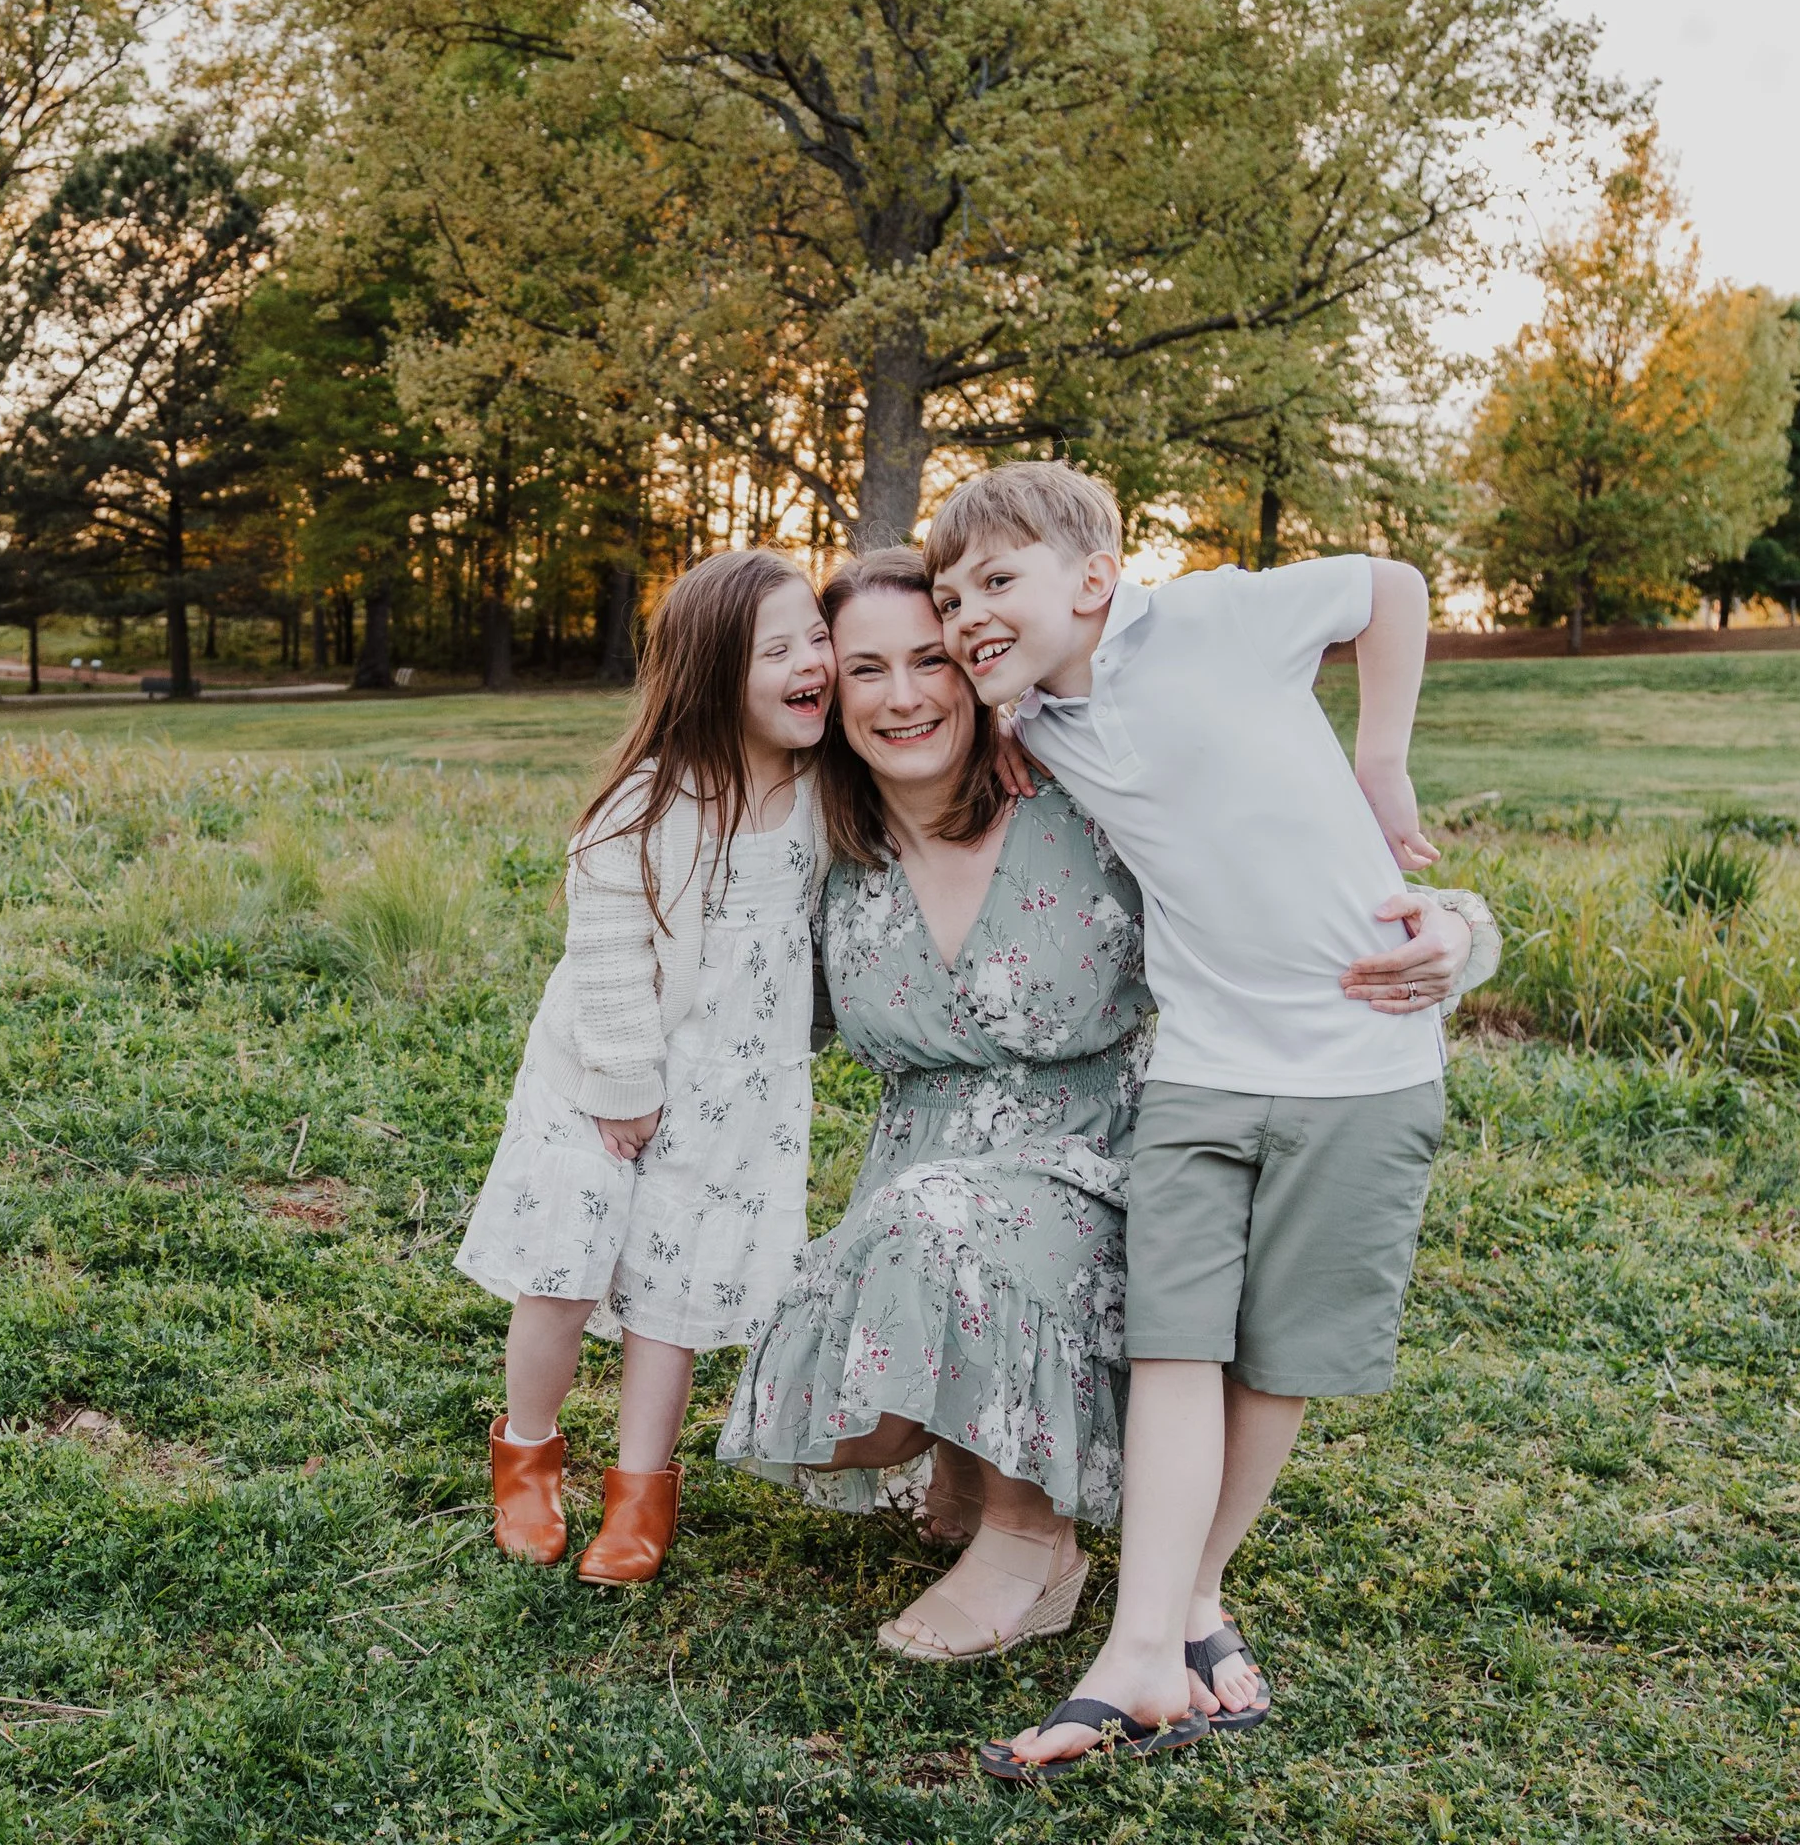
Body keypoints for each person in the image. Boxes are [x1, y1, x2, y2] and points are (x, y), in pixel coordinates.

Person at [719, 547, 1498, 1665]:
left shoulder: (1079, 793)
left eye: (932, 659)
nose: (903, 697)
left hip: (1101, 1170)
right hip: (915, 1186)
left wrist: (1458, 931)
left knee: (943, 1216)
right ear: (826, 693)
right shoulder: (826, 848)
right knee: (872, 1364)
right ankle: (961, 1448)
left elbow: (1292, 877)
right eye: (865, 669)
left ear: (977, 668)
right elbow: (728, 993)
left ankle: (1033, 1544)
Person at [925, 462, 1492, 1778]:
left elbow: (1394, 589)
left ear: (1096, 578)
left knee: (1278, 1360)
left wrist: (1384, 763)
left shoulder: (1214, 619)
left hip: (1366, 1062)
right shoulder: (1036, 728)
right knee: (1176, 1344)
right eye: (954, 599)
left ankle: (1189, 1600)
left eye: (996, 582)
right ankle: (1140, 1655)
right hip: (1204, 1071)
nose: (968, 617)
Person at [455, 549, 834, 1585]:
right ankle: (527, 1452)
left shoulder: (820, 788)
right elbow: (608, 947)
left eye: (817, 636)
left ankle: (638, 1490)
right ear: (715, 674)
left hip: (735, 1088)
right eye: (779, 648)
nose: (813, 660)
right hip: (600, 1081)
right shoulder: (652, 799)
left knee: (673, 1278)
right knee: (564, 1263)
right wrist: (623, 1084)